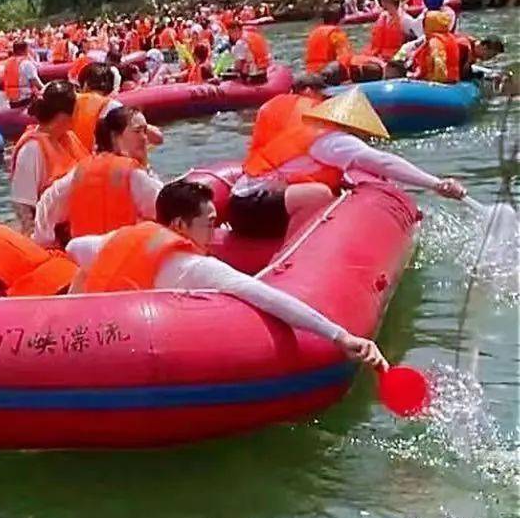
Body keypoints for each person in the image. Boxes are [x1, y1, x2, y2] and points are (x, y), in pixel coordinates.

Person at [66, 180, 387, 368]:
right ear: (179, 226)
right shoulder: (188, 267)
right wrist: (339, 335)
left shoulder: (117, 239)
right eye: (209, 222)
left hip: (81, 342)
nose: (215, 230)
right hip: (125, 360)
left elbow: (75, 247)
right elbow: (262, 294)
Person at [227, 87, 467, 239]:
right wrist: (436, 184)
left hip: (245, 204)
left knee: (326, 191)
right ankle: (290, 252)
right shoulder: (331, 141)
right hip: (251, 209)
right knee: (319, 193)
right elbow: (384, 162)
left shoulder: (314, 132)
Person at [34, 105, 162, 246]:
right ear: (115, 137)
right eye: (137, 131)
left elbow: (46, 203)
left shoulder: (79, 172)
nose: (144, 138)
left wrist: (45, 242)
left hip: (86, 260)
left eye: (145, 131)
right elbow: (168, 211)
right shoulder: (135, 175)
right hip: (126, 258)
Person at [9, 80, 88, 235]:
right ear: (63, 116)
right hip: (54, 236)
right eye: (77, 109)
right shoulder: (32, 149)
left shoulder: (69, 137)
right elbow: (24, 208)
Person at [410, 10, 461, 83]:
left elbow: (439, 61)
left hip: (440, 81)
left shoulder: (435, 41)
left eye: (425, 23)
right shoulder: (450, 37)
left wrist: (436, 80)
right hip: (453, 79)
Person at [305, 5, 353, 78]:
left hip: (310, 73)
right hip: (327, 76)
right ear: (341, 19)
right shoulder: (336, 33)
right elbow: (345, 59)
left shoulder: (314, 32)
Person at [2, 40, 43, 109]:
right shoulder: (26, 63)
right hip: (25, 100)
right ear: (25, 49)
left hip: (12, 101)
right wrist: (45, 89)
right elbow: (35, 82)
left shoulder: (7, 63)